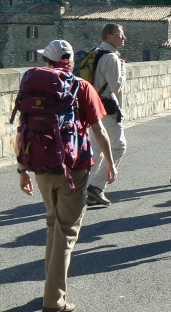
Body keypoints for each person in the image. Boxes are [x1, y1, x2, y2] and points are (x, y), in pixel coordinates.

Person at [18, 40, 117, 312]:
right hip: (74, 167)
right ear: (71, 61)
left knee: (54, 225)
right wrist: (110, 163)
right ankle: (54, 300)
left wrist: (22, 170)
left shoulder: (33, 85)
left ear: (47, 61)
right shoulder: (81, 87)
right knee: (66, 233)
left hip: (41, 166)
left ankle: (51, 289)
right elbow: (99, 130)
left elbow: (22, 128)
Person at [86, 23, 127, 207]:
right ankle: (96, 187)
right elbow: (116, 86)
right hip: (107, 107)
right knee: (118, 146)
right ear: (109, 37)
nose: (123, 38)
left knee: (96, 150)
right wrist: (123, 69)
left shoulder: (95, 53)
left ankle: (82, 188)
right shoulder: (111, 57)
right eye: (120, 34)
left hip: (92, 106)